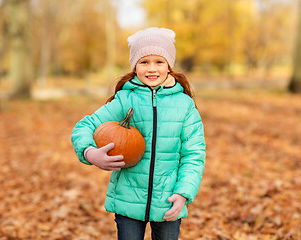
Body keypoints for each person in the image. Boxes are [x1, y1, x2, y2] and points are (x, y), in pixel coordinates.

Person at [71, 27, 206, 240]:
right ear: (135, 66)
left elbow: (194, 155)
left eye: (159, 62)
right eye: (144, 62)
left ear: (169, 65)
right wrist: (90, 153)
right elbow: (83, 127)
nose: (152, 68)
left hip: (168, 200)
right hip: (127, 200)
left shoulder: (185, 105)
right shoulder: (126, 100)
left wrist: (183, 193)